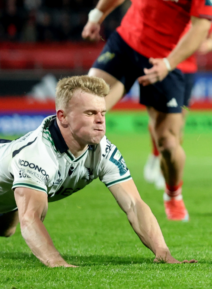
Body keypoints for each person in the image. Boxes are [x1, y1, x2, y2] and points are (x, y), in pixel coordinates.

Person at [82, 0, 212, 222]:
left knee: (168, 143)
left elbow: (202, 28)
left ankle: (173, 195)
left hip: (167, 61)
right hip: (126, 43)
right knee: (86, 104)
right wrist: (97, 15)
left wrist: (168, 64)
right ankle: (48, 175)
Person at [0, 76, 195, 267]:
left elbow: (134, 205)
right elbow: (31, 219)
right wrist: (58, 263)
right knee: (24, 217)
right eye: (90, 113)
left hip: (7, 195)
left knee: (7, 229)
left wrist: (163, 252)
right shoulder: (36, 154)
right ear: (63, 117)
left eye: (102, 113)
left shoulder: (104, 151)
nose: (100, 120)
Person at [143, 21, 212, 190]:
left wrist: (208, 44)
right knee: (156, 120)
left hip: (186, 72)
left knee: (177, 125)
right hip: (159, 65)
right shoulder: (167, 7)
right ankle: (155, 155)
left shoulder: (202, 11)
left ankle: (165, 171)